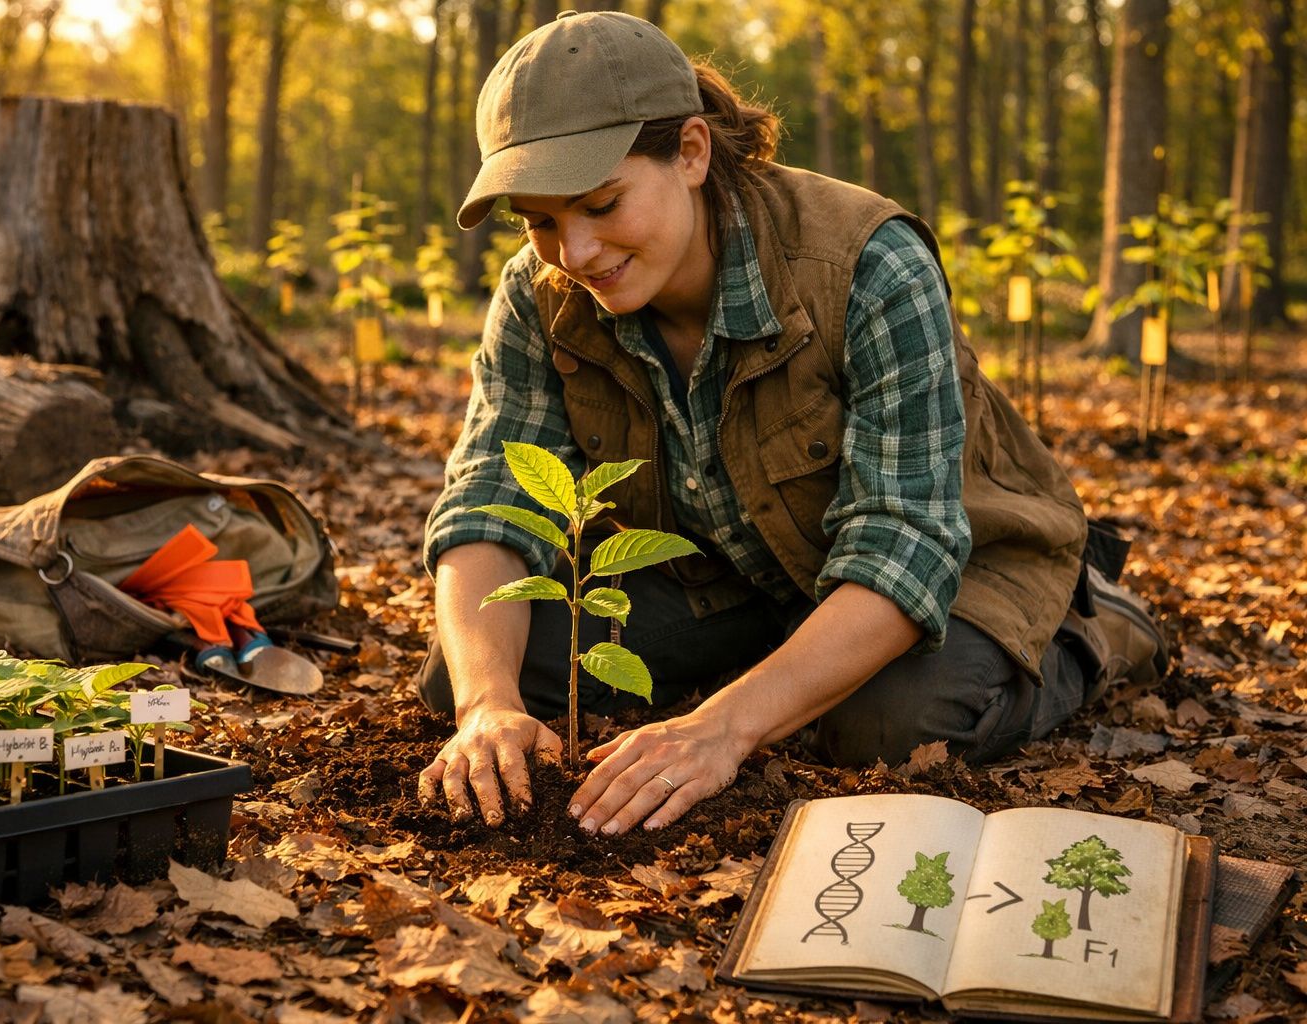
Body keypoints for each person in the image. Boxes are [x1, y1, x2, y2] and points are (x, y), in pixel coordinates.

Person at [415, 11, 1166, 837]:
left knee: (890, 729)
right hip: (728, 574)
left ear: (691, 152)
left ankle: (1094, 627)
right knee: (470, 667)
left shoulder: (868, 263)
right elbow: (490, 501)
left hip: (958, 562)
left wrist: (722, 729)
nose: (577, 252)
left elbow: (902, 544)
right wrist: (486, 706)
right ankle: (781, 676)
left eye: (602, 204)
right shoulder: (540, 293)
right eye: (541, 221)